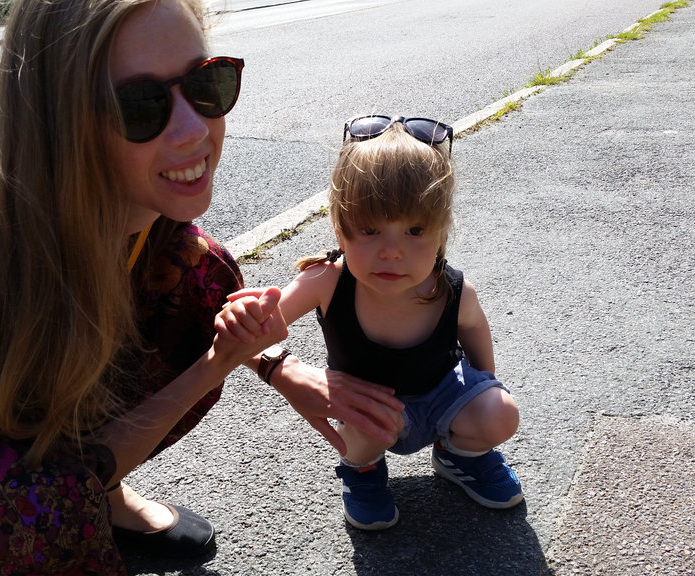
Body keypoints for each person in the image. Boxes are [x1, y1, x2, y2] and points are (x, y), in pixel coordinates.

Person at [0, 0, 406, 573]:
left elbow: (218, 309)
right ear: (58, 122)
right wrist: (219, 364)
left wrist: (284, 369)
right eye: (140, 105)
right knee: (42, 513)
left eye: (207, 85)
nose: (193, 131)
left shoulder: (127, 204)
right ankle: (92, 501)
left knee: (204, 277)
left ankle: (103, 497)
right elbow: (58, 470)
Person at [218, 115, 523, 531]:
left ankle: (459, 455)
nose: (392, 251)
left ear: (441, 232)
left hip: (443, 395)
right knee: (366, 425)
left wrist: (485, 382)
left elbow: (474, 329)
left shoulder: (452, 289)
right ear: (340, 230)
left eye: (415, 230)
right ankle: (361, 473)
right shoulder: (326, 281)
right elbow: (258, 329)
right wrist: (246, 318)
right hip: (367, 405)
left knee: (499, 412)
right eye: (369, 230)